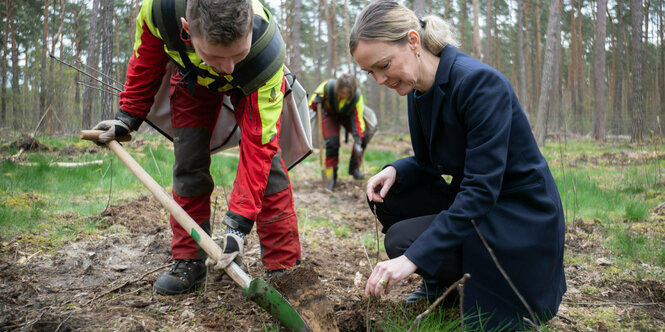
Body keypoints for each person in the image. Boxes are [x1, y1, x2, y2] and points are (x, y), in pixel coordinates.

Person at [350, 1, 566, 330]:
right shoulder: (416, 90)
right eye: (370, 73)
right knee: (390, 193)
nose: (379, 80)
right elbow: (428, 163)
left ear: (412, 42)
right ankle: (442, 290)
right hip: (478, 201)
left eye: (383, 65)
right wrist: (397, 169)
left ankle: (488, 290)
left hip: (517, 216)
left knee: (403, 244)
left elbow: (480, 190)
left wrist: (411, 260)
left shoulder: (479, 84)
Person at [92, 0, 301, 295]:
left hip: (252, 81)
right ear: (186, 30)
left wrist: (237, 226)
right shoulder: (159, 12)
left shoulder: (265, 52)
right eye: (217, 56)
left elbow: (258, 147)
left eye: (236, 54)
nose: (228, 68)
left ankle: (284, 268)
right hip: (192, 79)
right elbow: (147, 58)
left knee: (270, 169)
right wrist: (127, 117)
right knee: (188, 162)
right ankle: (189, 259)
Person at [309, 74, 369, 190]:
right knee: (332, 144)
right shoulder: (326, 87)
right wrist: (315, 102)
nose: (344, 96)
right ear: (337, 88)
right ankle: (330, 178)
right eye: (341, 92)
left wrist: (358, 141)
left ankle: (354, 169)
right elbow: (311, 104)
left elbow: (358, 119)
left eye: (347, 94)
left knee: (363, 138)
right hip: (329, 115)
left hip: (346, 116)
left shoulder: (357, 97)